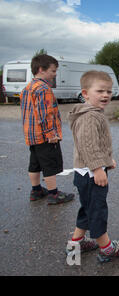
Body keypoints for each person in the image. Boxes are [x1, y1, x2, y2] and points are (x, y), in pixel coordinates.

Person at [67, 70, 119, 263]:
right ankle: (106, 248)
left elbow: (96, 144)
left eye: (109, 91)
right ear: (85, 93)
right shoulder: (90, 117)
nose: (105, 95)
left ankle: (75, 243)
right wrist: (97, 168)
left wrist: (107, 160)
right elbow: (88, 146)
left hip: (86, 172)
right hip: (90, 173)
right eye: (100, 91)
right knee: (97, 211)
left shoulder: (93, 113)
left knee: (88, 208)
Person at [20, 54, 74, 204]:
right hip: (45, 136)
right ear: (41, 70)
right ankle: (54, 194)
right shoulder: (44, 89)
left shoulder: (27, 88)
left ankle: (36, 190)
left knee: (35, 163)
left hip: (32, 135)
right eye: (53, 71)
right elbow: (45, 114)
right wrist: (51, 134)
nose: (55, 74)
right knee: (49, 164)